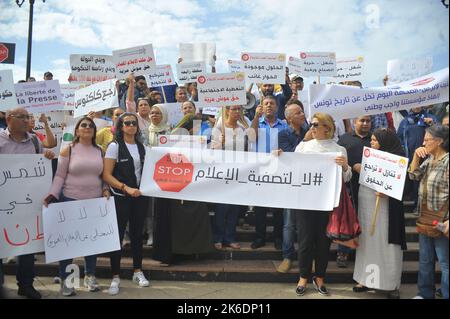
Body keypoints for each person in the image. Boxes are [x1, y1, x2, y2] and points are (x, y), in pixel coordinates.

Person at [43, 117, 105, 296]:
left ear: (94, 131)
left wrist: (106, 190)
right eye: (83, 125)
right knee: (68, 243)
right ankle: (66, 280)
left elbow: (104, 176)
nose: (87, 127)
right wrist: (52, 194)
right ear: (77, 131)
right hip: (70, 200)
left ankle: (90, 275)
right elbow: (60, 176)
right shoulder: (67, 150)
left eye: (90, 126)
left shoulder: (100, 151)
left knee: (92, 242)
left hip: (94, 202)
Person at [294, 112, 352, 296]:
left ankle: (320, 277)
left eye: (316, 124)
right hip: (305, 201)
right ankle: (303, 276)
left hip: (327, 203)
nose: (311, 127)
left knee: (323, 242)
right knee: (304, 242)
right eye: (311, 124)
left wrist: (344, 167)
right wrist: (279, 155)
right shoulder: (303, 147)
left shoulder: (339, 150)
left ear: (327, 128)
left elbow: (347, 177)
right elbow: (291, 168)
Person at [0, 107, 55, 299]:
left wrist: (47, 155)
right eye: (21, 117)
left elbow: (44, 159)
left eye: (27, 117)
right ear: (9, 120)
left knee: (27, 247)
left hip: (27, 205)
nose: (26, 120)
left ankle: (25, 284)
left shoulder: (33, 140)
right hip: (4, 204)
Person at [352, 128, 407, 299]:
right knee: (367, 242)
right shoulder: (368, 156)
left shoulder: (398, 161)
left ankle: (390, 284)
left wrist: (389, 193)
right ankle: (364, 279)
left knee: (386, 244)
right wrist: (358, 167)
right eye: (372, 140)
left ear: (385, 142)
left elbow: (403, 185)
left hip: (387, 209)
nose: (371, 143)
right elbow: (354, 165)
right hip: (367, 202)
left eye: (375, 140)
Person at [102, 112, 150, 295]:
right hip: (120, 196)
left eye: (134, 123)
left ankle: (137, 271)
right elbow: (106, 174)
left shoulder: (142, 146)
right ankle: (115, 276)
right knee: (118, 236)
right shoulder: (114, 146)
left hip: (139, 196)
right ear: (121, 127)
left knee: (137, 235)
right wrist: (125, 188)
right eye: (127, 123)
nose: (131, 126)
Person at [409, 125, 449, 299]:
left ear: (439, 141)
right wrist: (415, 156)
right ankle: (425, 294)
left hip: (442, 220)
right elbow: (413, 175)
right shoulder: (429, 159)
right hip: (425, 218)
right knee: (425, 260)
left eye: (427, 140)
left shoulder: (447, 161)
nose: (423, 143)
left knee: (445, 262)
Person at [211, 105, 256, 249]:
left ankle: (230, 237)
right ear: (227, 111)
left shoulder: (242, 129)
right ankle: (218, 238)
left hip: (237, 173)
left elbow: (247, 150)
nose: (237, 112)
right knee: (222, 208)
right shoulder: (218, 129)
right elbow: (211, 152)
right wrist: (220, 143)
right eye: (234, 109)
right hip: (222, 174)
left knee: (234, 208)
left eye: (239, 109)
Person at [251, 96, 288, 250]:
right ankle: (260, 237)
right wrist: (255, 117)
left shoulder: (284, 126)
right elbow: (250, 137)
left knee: (278, 208)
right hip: (261, 171)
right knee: (260, 208)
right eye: (265, 104)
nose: (268, 106)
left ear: (277, 107)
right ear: (261, 107)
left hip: (279, 171)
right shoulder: (256, 124)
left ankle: (278, 237)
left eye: (272, 103)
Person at [335, 116, 372, 268]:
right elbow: (336, 159)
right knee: (347, 219)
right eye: (362, 120)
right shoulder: (344, 139)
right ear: (354, 122)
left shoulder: (376, 139)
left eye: (368, 121)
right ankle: (343, 252)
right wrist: (352, 166)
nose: (364, 123)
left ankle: (365, 253)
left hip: (370, 188)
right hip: (349, 185)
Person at [276, 100, 307, 273]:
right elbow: (291, 157)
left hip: (308, 182)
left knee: (305, 224)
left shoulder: (309, 132)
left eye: (302, 112)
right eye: (298, 113)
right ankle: (287, 256)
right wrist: (305, 142)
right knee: (289, 223)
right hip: (290, 182)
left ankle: (306, 256)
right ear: (289, 118)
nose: (302, 115)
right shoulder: (283, 134)